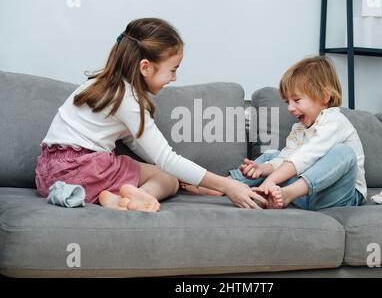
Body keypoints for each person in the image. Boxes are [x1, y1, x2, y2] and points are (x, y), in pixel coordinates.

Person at [35, 18, 267, 212]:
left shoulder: (97, 84)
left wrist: (193, 181)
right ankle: (136, 198)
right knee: (167, 179)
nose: (174, 78)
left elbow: (137, 144)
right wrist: (227, 185)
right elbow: (165, 158)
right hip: (85, 170)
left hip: (49, 174)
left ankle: (111, 198)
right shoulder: (128, 99)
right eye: (173, 69)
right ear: (145, 67)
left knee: (158, 171)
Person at [182, 56, 367, 210]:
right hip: (308, 196)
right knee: (273, 155)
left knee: (344, 153)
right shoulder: (299, 129)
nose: (290, 108)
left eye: (296, 100)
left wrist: (270, 180)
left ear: (325, 97)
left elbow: (305, 157)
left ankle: (287, 194)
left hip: (340, 197)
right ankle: (226, 185)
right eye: (287, 102)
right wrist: (261, 170)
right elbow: (285, 159)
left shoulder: (335, 121)